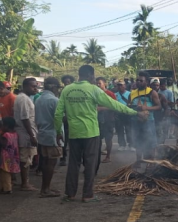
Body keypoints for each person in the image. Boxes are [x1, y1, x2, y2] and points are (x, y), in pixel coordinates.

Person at [55, 65, 141, 202]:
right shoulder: (93, 90)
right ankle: (87, 195)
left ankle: (70, 193)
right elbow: (114, 104)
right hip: (91, 132)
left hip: (74, 133)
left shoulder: (67, 90)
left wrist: (58, 131)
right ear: (90, 75)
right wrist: (135, 112)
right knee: (90, 163)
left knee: (73, 163)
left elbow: (58, 113)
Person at [36, 77, 64, 198]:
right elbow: (59, 119)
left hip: (42, 133)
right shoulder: (54, 100)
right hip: (53, 134)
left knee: (46, 161)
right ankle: (45, 189)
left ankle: (45, 187)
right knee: (51, 163)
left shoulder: (39, 99)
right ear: (53, 87)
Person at [129, 73, 162, 162]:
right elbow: (128, 106)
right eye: (137, 80)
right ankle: (138, 161)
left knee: (150, 142)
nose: (138, 82)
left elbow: (159, 106)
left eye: (141, 80)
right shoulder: (132, 93)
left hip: (148, 122)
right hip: (135, 121)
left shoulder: (152, 92)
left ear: (146, 82)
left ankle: (150, 162)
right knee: (137, 142)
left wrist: (146, 108)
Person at [14, 78, 39, 191]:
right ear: (25, 86)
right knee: (25, 158)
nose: (35, 88)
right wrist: (32, 136)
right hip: (25, 133)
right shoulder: (23, 99)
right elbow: (25, 118)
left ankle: (26, 182)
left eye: (36, 86)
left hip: (27, 131)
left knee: (28, 157)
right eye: (32, 86)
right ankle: (24, 183)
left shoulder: (24, 98)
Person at [96, 77, 117, 164]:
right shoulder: (95, 94)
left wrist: (101, 108)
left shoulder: (110, 94)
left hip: (108, 120)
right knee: (98, 139)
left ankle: (108, 156)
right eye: (96, 83)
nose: (97, 85)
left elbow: (115, 106)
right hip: (98, 120)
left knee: (108, 139)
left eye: (99, 83)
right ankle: (97, 156)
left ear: (104, 84)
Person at [0, 117, 20, 194]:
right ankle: (4, 187)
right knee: (7, 172)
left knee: (4, 172)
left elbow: (4, 144)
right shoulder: (15, 134)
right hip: (13, 155)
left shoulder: (6, 135)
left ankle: (7, 188)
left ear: (6, 126)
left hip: (6, 156)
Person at [59, 75, 76, 166]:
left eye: (68, 82)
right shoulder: (61, 93)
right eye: (65, 82)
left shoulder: (74, 92)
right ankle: (63, 158)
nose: (66, 84)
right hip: (65, 119)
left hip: (73, 119)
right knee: (64, 140)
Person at [114, 81, 132, 151]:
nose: (120, 87)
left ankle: (131, 144)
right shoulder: (115, 95)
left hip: (127, 114)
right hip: (119, 114)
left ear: (125, 86)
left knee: (129, 130)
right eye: (118, 85)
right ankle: (122, 144)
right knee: (120, 130)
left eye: (121, 85)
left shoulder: (130, 94)